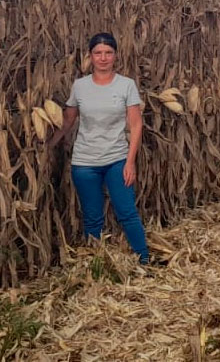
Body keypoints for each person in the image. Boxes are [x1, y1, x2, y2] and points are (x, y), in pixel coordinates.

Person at [48, 32, 150, 265]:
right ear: (90, 56)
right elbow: (68, 121)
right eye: (98, 53)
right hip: (85, 162)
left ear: (115, 56)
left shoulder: (126, 85)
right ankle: (95, 266)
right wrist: (48, 145)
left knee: (126, 212)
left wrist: (130, 161)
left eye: (108, 53)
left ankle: (144, 260)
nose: (103, 58)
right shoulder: (80, 86)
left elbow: (135, 124)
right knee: (92, 218)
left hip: (117, 160)